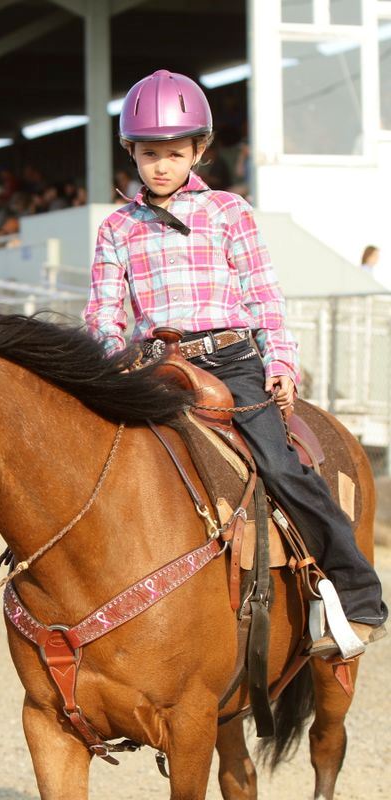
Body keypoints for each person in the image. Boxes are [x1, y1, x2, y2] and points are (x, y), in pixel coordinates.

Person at [84, 69, 387, 657]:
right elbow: (101, 313)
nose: (162, 166)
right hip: (152, 366)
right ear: (133, 154)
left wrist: (280, 361)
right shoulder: (116, 227)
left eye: (174, 153)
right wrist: (108, 361)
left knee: (279, 465)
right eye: (149, 154)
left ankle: (356, 591)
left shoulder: (229, 211)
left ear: (199, 150)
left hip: (229, 361)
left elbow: (264, 295)